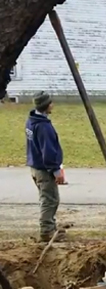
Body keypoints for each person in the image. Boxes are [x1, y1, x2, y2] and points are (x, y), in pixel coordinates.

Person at [26, 91, 66, 242]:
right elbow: (48, 151)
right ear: (46, 105)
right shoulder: (43, 127)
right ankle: (47, 231)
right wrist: (56, 170)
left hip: (35, 167)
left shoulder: (31, 121)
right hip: (44, 170)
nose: (53, 104)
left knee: (47, 198)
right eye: (51, 102)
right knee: (50, 200)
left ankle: (51, 227)